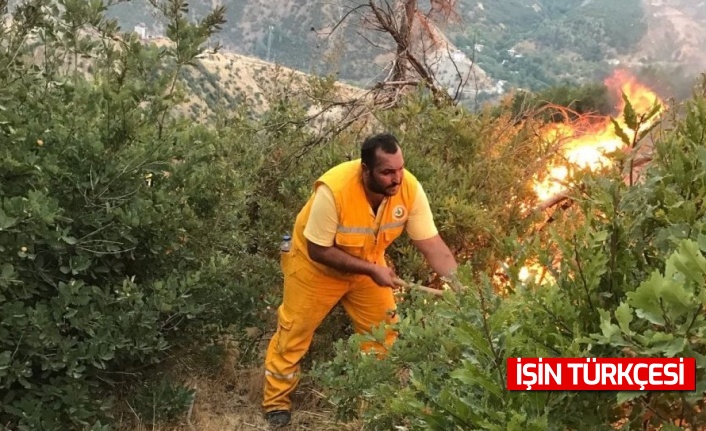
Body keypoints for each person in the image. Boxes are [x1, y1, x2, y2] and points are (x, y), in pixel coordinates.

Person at [262, 132, 458, 427]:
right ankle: (276, 403)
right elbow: (318, 249)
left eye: (400, 168)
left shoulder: (410, 190)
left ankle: (376, 405)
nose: (397, 178)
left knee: (383, 334)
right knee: (294, 331)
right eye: (387, 172)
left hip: (368, 265)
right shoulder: (335, 189)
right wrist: (371, 270)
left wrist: (460, 285)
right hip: (314, 267)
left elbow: (432, 245)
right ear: (365, 170)